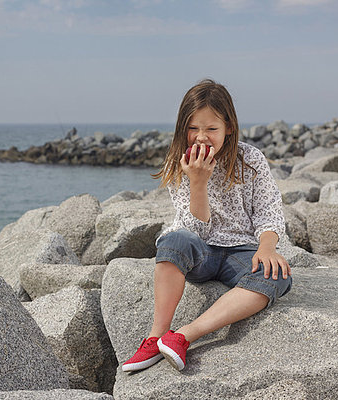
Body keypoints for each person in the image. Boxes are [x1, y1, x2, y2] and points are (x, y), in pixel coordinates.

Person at [122, 79, 292, 373]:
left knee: (277, 276)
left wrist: (267, 247)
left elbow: (269, 210)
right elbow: (193, 231)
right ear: (182, 129)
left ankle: (183, 336)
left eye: (211, 129)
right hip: (201, 251)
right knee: (173, 241)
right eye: (193, 128)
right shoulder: (178, 161)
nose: (201, 137)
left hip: (242, 250)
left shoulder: (250, 159)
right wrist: (197, 182)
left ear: (229, 127)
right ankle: (156, 336)